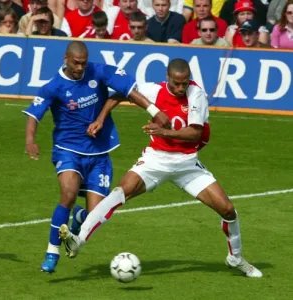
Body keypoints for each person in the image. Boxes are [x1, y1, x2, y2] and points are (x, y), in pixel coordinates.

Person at [59, 58, 263, 279]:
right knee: (120, 192)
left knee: (228, 210)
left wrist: (163, 131)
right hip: (156, 160)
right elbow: (121, 93)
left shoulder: (196, 95)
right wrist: (101, 117)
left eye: (184, 83)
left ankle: (236, 259)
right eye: (176, 83)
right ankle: (79, 240)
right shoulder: (153, 90)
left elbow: (194, 133)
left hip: (187, 165)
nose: (180, 88)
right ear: (168, 77)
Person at [23, 40, 169, 273]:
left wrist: (153, 111)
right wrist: (30, 140)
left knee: (96, 213)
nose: (80, 68)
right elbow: (34, 115)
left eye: (83, 63)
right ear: (66, 59)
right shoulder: (54, 86)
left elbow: (128, 90)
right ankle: (52, 251)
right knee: (68, 194)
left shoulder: (97, 71)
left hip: (99, 151)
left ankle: (80, 217)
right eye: (76, 63)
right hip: (68, 148)